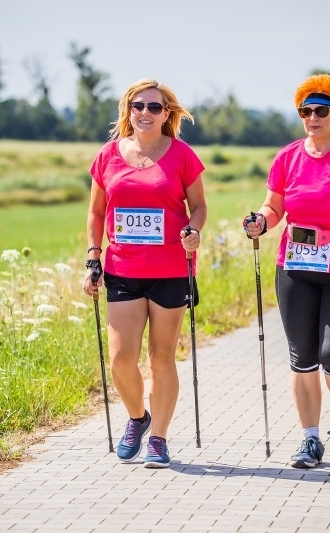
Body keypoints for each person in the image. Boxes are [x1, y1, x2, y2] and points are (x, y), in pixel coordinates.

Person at [243, 74, 330, 468]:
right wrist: (261, 222)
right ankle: (309, 439)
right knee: (302, 356)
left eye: (321, 111)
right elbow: (275, 208)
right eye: (306, 111)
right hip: (296, 266)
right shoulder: (287, 156)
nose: (313, 118)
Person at [83, 78, 207, 469]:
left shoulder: (182, 155)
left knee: (161, 357)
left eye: (155, 107)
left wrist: (194, 231)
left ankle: (158, 439)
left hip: (171, 269)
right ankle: (138, 418)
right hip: (123, 269)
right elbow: (96, 213)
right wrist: (93, 258)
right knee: (121, 358)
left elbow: (199, 207)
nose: (146, 113)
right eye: (139, 106)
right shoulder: (108, 156)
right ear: (128, 110)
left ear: (167, 113)